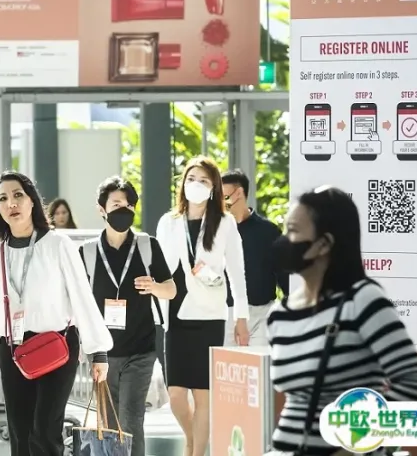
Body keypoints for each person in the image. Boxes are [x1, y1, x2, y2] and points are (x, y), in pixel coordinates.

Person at [0, 171, 112, 456]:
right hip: (14, 350)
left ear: (32, 201)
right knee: (20, 433)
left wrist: (97, 351)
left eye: (18, 195)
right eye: (3, 198)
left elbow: (81, 296)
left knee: (45, 430)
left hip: (57, 345)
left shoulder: (58, 245)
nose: (11, 203)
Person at [267, 186, 417, 454]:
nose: (284, 240)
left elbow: (412, 381)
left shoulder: (362, 300)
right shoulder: (280, 315)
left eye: (293, 231)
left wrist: (358, 446)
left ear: (324, 244)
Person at [155, 156, 250, 456]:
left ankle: (197, 452)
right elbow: (160, 266)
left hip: (209, 315)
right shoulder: (168, 222)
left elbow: (237, 272)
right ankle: (191, 438)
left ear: (214, 188)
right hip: (175, 314)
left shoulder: (224, 222)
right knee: (176, 396)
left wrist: (241, 317)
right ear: (183, 183)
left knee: (203, 395)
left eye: (204, 180)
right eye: (191, 178)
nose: (196, 184)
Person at [79, 176, 176, 456]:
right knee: (108, 424)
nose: (124, 210)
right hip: (102, 354)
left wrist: (154, 287)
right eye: (117, 204)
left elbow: (171, 289)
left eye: (129, 205)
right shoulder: (87, 252)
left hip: (140, 350)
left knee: (132, 420)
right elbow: (76, 301)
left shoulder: (147, 246)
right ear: (102, 209)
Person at [220, 169, 289, 346]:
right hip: (225, 314)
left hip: (262, 314)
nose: (220, 202)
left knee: (260, 362)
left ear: (239, 193)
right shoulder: (215, 232)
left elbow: (284, 275)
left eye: (224, 196)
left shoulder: (268, 231)